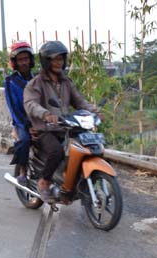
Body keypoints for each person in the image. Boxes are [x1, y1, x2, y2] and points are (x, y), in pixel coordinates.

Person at [24, 40, 101, 202]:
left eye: (61, 59)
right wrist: (45, 114)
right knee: (57, 151)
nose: (59, 63)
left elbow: (79, 101)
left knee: (81, 150)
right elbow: (31, 104)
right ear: (46, 61)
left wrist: (95, 111)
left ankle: (70, 185)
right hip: (45, 129)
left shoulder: (66, 82)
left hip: (65, 127)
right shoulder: (35, 84)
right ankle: (44, 182)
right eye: (55, 59)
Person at [4, 41, 35, 185]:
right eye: (20, 60)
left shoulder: (37, 79)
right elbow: (13, 107)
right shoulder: (11, 81)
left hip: (39, 118)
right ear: (15, 62)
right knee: (24, 140)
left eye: (26, 59)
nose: (24, 63)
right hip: (22, 122)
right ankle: (23, 172)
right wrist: (26, 124)